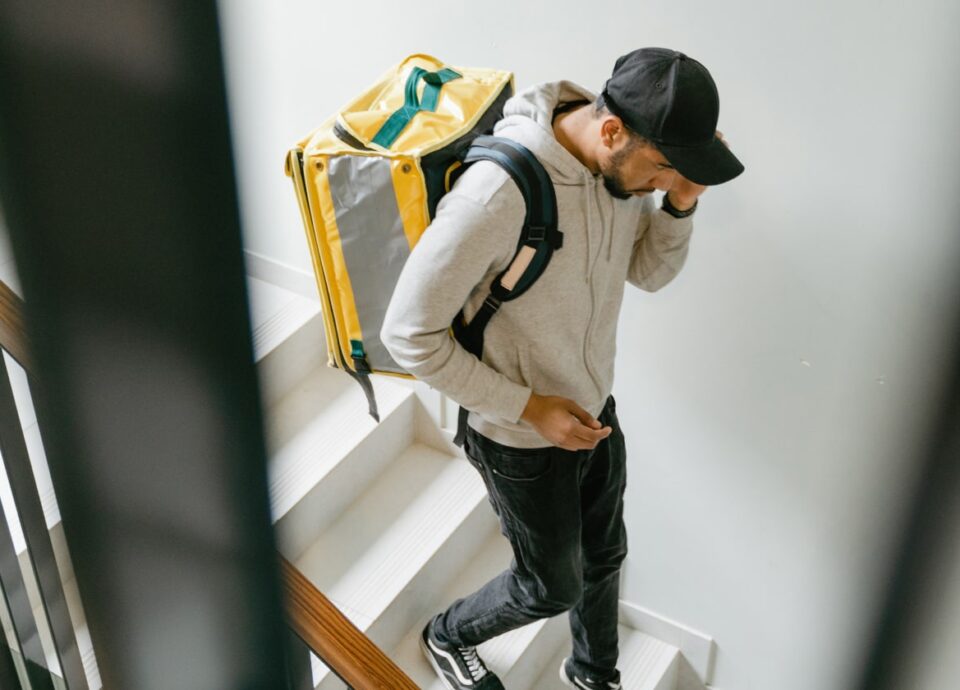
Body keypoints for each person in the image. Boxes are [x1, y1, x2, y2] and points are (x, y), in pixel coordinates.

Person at [381, 47, 743, 690]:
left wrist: (681, 203)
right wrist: (529, 408)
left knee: (606, 554)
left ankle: (594, 675)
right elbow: (408, 335)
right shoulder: (496, 195)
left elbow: (648, 272)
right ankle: (448, 635)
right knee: (550, 585)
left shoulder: (618, 171)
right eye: (664, 168)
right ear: (613, 131)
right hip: (518, 436)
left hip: (593, 409)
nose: (664, 183)